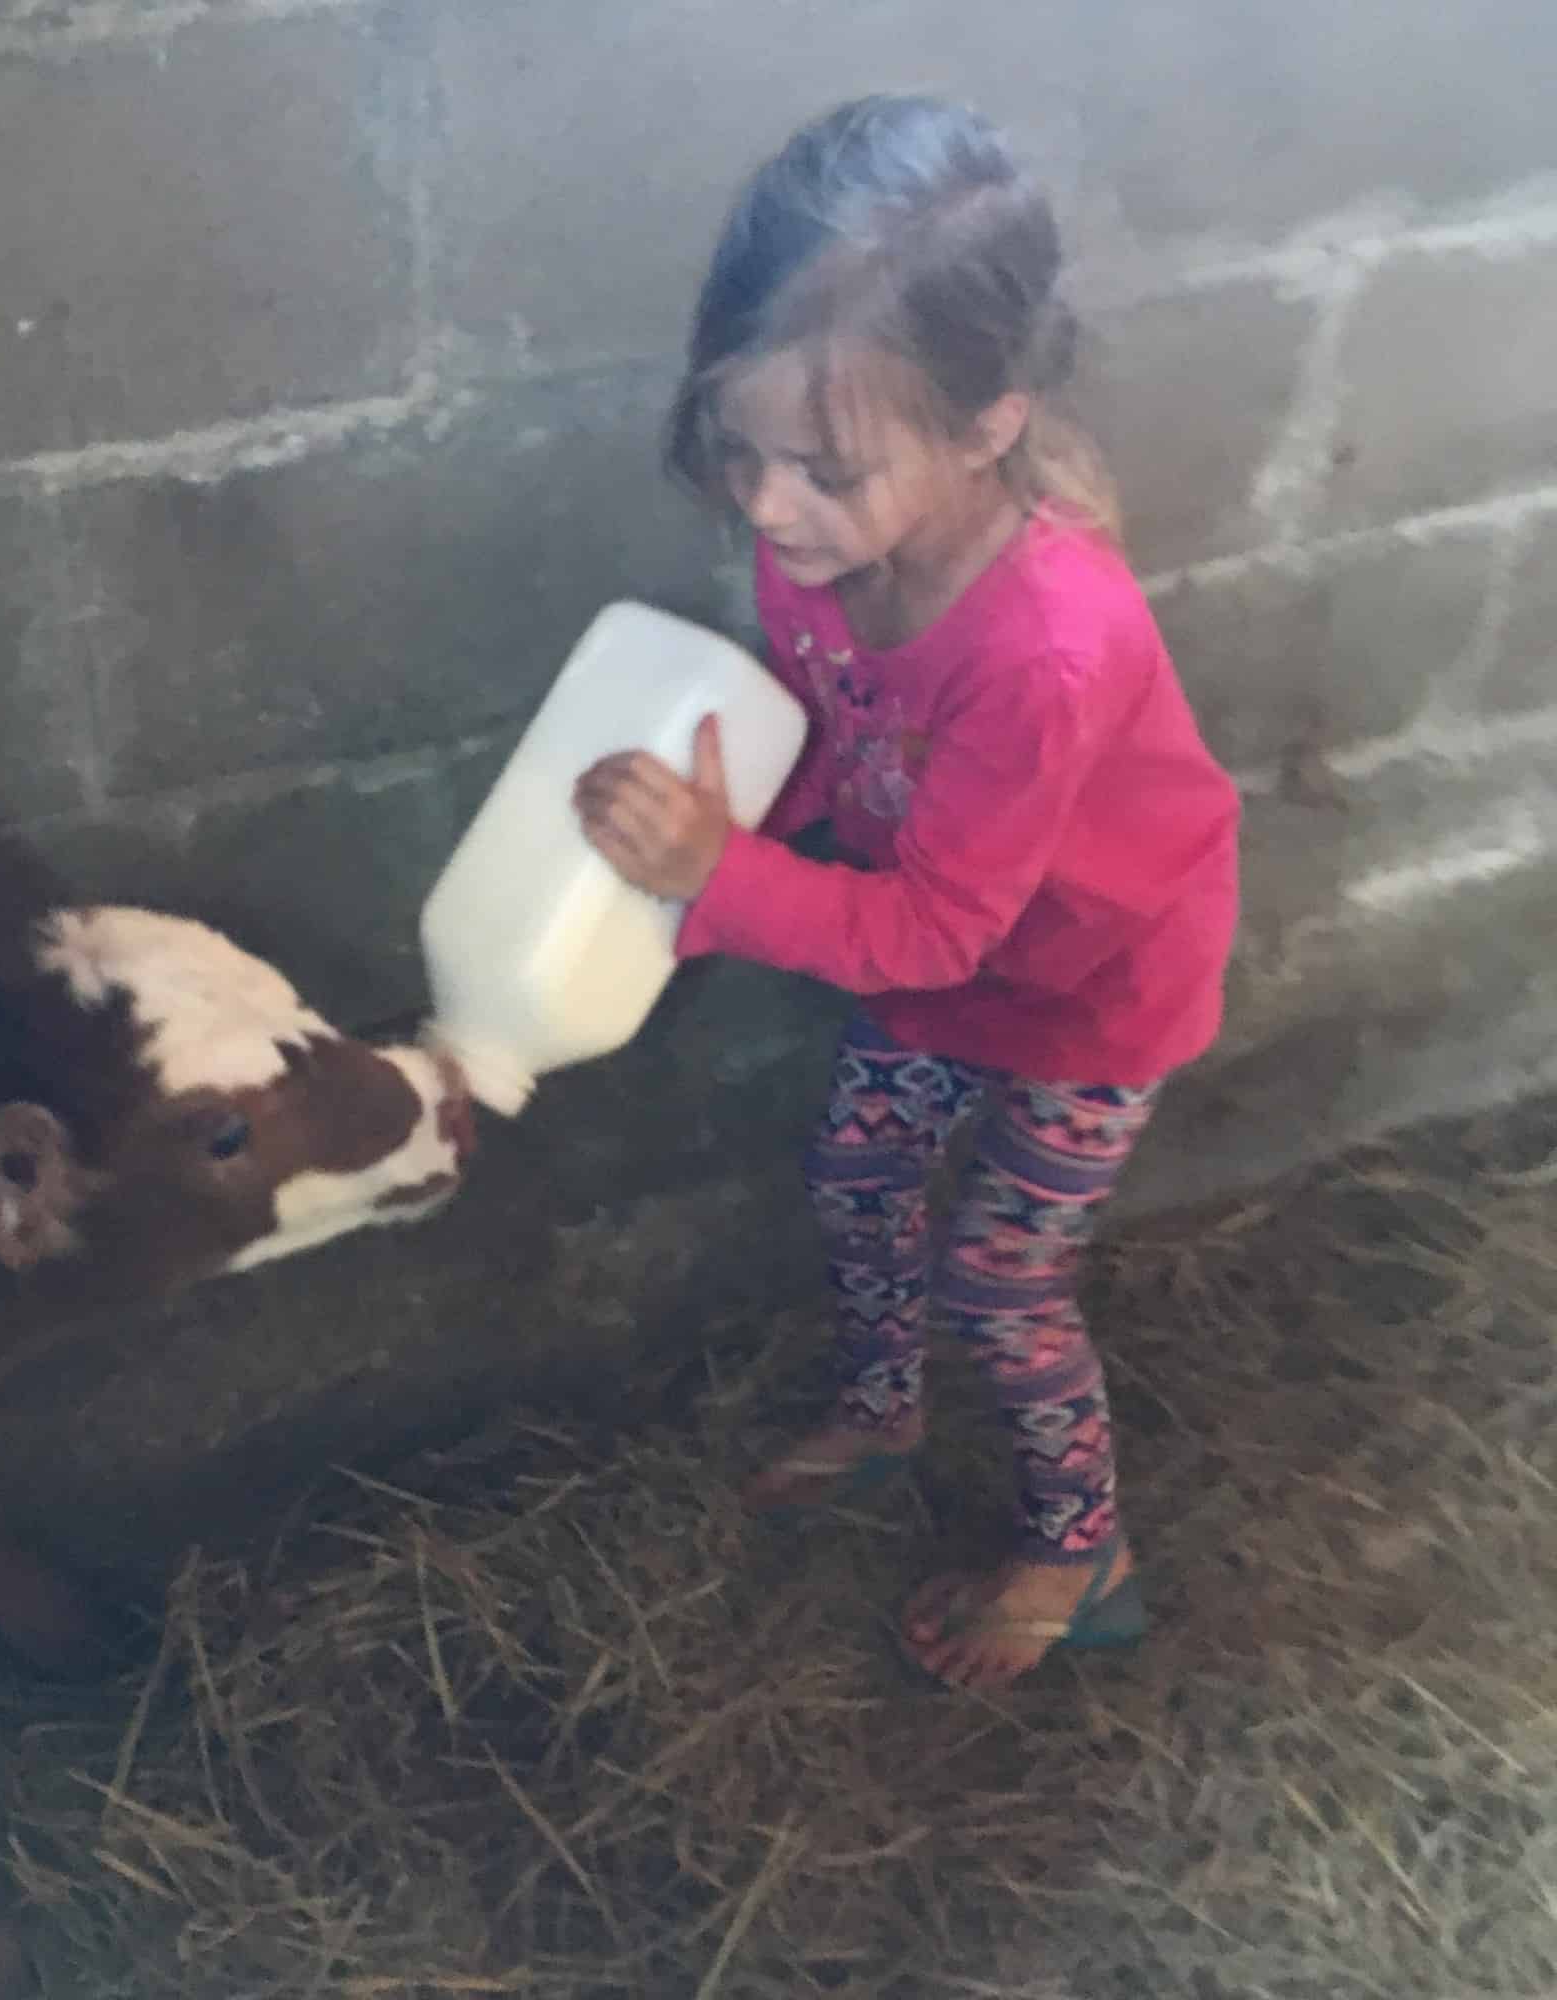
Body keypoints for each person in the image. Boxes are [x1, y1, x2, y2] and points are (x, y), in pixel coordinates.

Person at [573, 94, 1240, 1690]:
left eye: (822, 468)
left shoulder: (1044, 650)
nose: (762, 505)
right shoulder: (814, 550)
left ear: (988, 424)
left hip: (1088, 985)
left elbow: (949, 923)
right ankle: (883, 1414)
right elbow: (841, 759)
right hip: (938, 941)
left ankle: (1087, 1550)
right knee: (857, 1168)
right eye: (739, 447)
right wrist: (749, 823)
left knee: (1001, 1274)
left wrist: (722, 878)